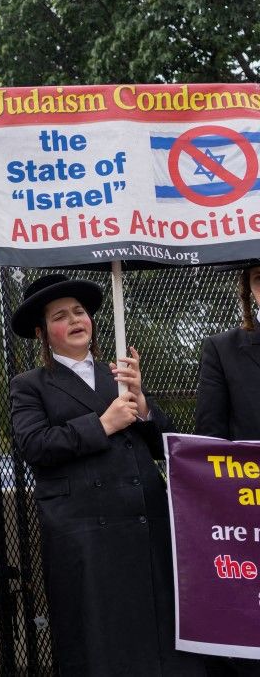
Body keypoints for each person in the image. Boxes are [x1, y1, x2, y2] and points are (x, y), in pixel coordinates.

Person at [9, 273, 205, 676]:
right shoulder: (29, 386)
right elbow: (34, 446)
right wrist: (103, 425)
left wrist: (143, 405)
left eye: (80, 311)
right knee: (102, 642)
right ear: (43, 332)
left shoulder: (117, 375)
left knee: (157, 639)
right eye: (61, 315)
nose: (76, 319)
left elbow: (164, 445)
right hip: (84, 531)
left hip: (144, 524)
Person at [195, 260, 260, 677]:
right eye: (259, 279)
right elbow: (210, 441)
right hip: (249, 518)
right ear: (249, 291)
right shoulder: (221, 348)